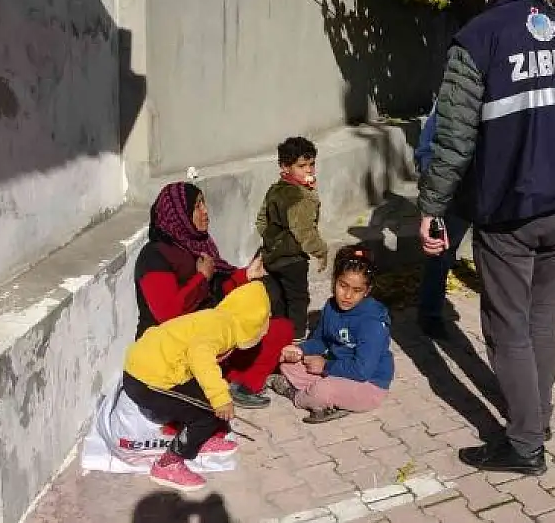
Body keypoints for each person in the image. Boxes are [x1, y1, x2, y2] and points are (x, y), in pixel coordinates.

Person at [416, 0, 555, 476]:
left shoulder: (476, 40)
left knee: (508, 328)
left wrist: (431, 207)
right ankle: (537, 419)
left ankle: (524, 444)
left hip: (507, 211)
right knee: (543, 319)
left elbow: (452, 137)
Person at [135, 182, 295, 409]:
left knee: (279, 328)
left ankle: (240, 383)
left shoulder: (199, 246)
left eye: (204, 203)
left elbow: (219, 295)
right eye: (197, 206)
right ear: (178, 213)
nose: (205, 211)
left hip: (212, 335)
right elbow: (168, 314)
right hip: (180, 348)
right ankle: (216, 381)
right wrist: (201, 278)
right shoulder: (154, 256)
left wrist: (246, 276)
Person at [122, 281, 271, 492]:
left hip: (149, 367)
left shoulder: (219, 318)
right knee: (209, 411)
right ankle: (168, 464)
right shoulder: (225, 330)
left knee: (204, 400)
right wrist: (220, 398)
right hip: (147, 379)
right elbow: (200, 357)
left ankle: (198, 438)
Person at [267, 245, 394, 424]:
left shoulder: (372, 323)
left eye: (357, 291)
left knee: (322, 390)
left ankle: (296, 395)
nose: (347, 295)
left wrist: (325, 366)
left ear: (367, 291)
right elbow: (321, 340)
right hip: (337, 372)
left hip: (368, 385)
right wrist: (299, 350)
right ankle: (333, 401)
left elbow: (362, 371)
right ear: (334, 280)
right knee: (289, 366)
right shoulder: (330, 307)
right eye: (343, 286)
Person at [256, 136, 329, 341]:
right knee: (298, 300)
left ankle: (278, 339)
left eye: (312, 164)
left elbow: (261, 221)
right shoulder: (300, 196)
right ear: (285, 167)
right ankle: (296, 339)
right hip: (293, 259)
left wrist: (272, 241)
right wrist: (321, 250)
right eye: (302, 166)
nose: (309, 170)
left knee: (278, 300)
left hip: (273, 257)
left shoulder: (275, 189)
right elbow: (303, 231)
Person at [414, 99, 471, 339]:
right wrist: (432, 180)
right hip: (452, 186)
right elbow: (428, 145)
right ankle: (430, 313)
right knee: (440, 249)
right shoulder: (453, 95)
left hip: (490, 184)